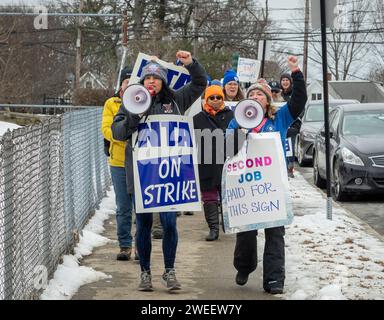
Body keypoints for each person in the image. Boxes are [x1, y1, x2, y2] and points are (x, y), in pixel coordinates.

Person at [111, 50, 206, 292]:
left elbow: (199, 83)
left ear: (163, 81)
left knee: (169, 225)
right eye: (147, 78)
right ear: (141, 82)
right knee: (142, 225)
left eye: (156, 78)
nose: (151, 81)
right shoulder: (131, 100)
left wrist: (191, 64)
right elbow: (118, 133)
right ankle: (145, 272)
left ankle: (170, 271)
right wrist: (135, 115)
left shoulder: (175, 100)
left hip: (169, 176)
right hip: (142, 177)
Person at [227, 56, 307, 294]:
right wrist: (239, 132)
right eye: (251, 94)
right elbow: (226, 150)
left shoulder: (279, 118)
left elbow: (299, 100)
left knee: (275, 234)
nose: (255, 97)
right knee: (246, 234)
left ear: (268, 100)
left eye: (260, 94)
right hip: (247, 188)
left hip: (273, 187)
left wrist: (296, 73)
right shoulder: (237, 122)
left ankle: (274, 280)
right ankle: (244, 266)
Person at [101, 67, 137, 261]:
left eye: (133, 81)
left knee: (140, 206)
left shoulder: (144, 101)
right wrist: (121, 137)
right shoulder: (111, 103)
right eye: (126, 82)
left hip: (141, 162)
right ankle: (125, 245)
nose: (130, 85)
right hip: (119, 161)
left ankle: (141, 245)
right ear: (121, 84)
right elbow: (107, 129)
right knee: (123, 206)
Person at [193, 85, 234, 241]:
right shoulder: (198, 118)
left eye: (218, 97)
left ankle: (228, 224)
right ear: (206, 99)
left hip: (226, 161)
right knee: (209, 197)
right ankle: (213, 229)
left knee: (227, 195)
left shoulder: (231, 115)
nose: (215, 100)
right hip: (206, 162)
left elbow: (238, 138)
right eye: (212, 97)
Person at [280, 73, 298, 178]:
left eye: (287, 80)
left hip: (292, 126)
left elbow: (299, 110)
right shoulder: (278, 94)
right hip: (281, 126)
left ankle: (290, 169)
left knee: (290, 148)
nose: (285, 82)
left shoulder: (294, 94)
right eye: (283, 80)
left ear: (290, 82)